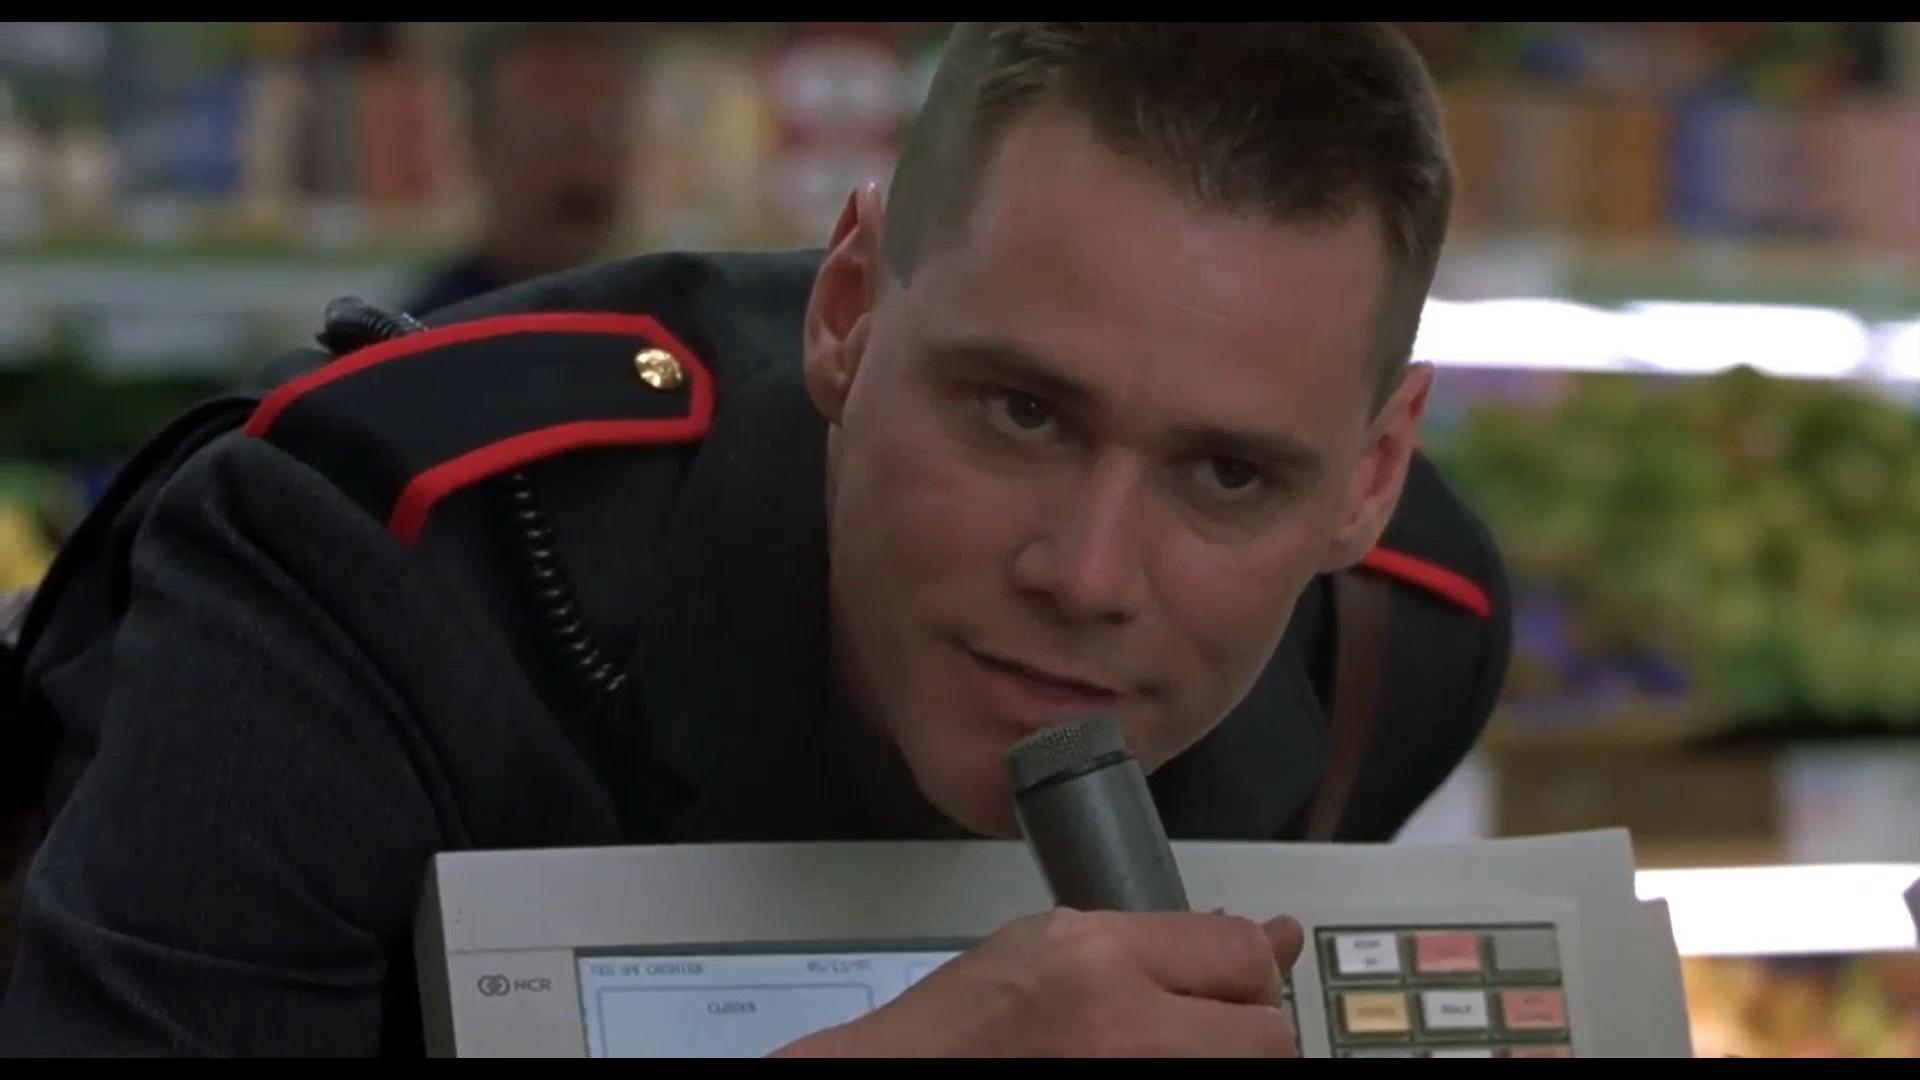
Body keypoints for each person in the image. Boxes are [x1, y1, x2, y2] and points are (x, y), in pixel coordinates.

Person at [0, 23, 1511, 1057]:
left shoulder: (1394, 652)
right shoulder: (373, 565)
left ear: (1370, 478)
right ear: (847, 312)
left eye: (1231, 477)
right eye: (1022, 412)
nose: (1090, 574)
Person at [403, 23, 637, 316]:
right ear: (480, 147)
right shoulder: (433, 332)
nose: (583, 167)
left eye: (607, 131)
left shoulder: (659, 319)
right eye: (546, 136)